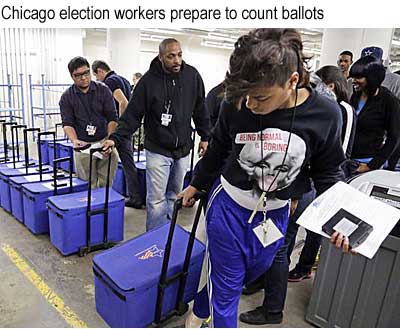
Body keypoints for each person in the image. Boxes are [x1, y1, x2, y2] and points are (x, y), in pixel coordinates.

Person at [180, 29, 350, 328]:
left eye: (260, 97)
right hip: (228, 207)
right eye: (245, 96)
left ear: (292, 81)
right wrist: (196, 183)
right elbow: (218, 148)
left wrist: (343, 220)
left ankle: (203, 302)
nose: (250, 105)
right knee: (229, 286)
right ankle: (211, 309)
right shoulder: (236, 101)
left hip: (275, 216)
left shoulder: (324, 114)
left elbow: (328, 172)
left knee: (247, 273)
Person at [102, 38, 211, 231]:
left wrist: (205, 136)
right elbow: (133, 114)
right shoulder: (148, 81)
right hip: (157, 150)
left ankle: (166, 234)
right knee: (156, 200)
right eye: (171, 56)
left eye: (179, 55)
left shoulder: (192, 76)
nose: (177, 60)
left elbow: (200, 108)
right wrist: (115, 138)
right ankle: (154, 241)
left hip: (183, 150)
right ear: (161, 57)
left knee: (173, 196)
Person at [287, 65, 356, 282]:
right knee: (302, 226)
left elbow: (339, 149)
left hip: (326, 175)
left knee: (314, 226)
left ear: (330, 86)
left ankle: (305, 266)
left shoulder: (339, 109)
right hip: (317, 174)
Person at [92, 60, 144, 208]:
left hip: (118, 130)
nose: (97, 80)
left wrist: (120, 126)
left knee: (104, 159)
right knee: (128, 163)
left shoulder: (110, 81)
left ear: (100, 71)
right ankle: (135, 197)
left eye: (96, 77)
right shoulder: (124, 80)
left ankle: (102, 196)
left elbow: (123, 102)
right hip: (126, 129)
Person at [59, 56, 118, 188]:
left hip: (104, 142)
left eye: (86, 73)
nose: (84, 78)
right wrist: (74, 140)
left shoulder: (103, 90)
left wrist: (109, 139)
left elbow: (112, 118)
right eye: (78, 75)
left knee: (106, 185)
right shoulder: (67, 97)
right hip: (83, 146)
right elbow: (67, 123)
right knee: (87, 186)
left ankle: (105, 207)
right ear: (72, 76)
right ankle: (90, 207)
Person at [348, 54, 400, 176]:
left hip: (367, 161)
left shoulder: (389, 101)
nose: (353, 81)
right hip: (349, 159)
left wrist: (372, 165)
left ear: (372, 78)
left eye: (359, 77)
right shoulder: (356, 95)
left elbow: (394, 138)